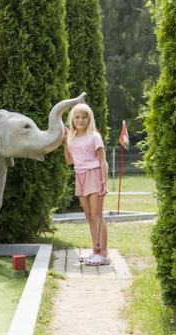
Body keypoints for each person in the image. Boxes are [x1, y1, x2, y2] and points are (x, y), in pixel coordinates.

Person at [63, 103, 110, 266]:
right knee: (89, 216)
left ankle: (103, 254)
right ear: (72, 119)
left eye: (84, 117)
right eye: (77, 117)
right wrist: (65, 141)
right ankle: (95, 251)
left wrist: (104, 182)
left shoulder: (94, 136)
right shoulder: (71, 139)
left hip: (94, 175)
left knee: (97, 216)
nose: (80, 120)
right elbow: (69, 161)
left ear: (89, 119)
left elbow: (103, 162)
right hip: (80, 176)